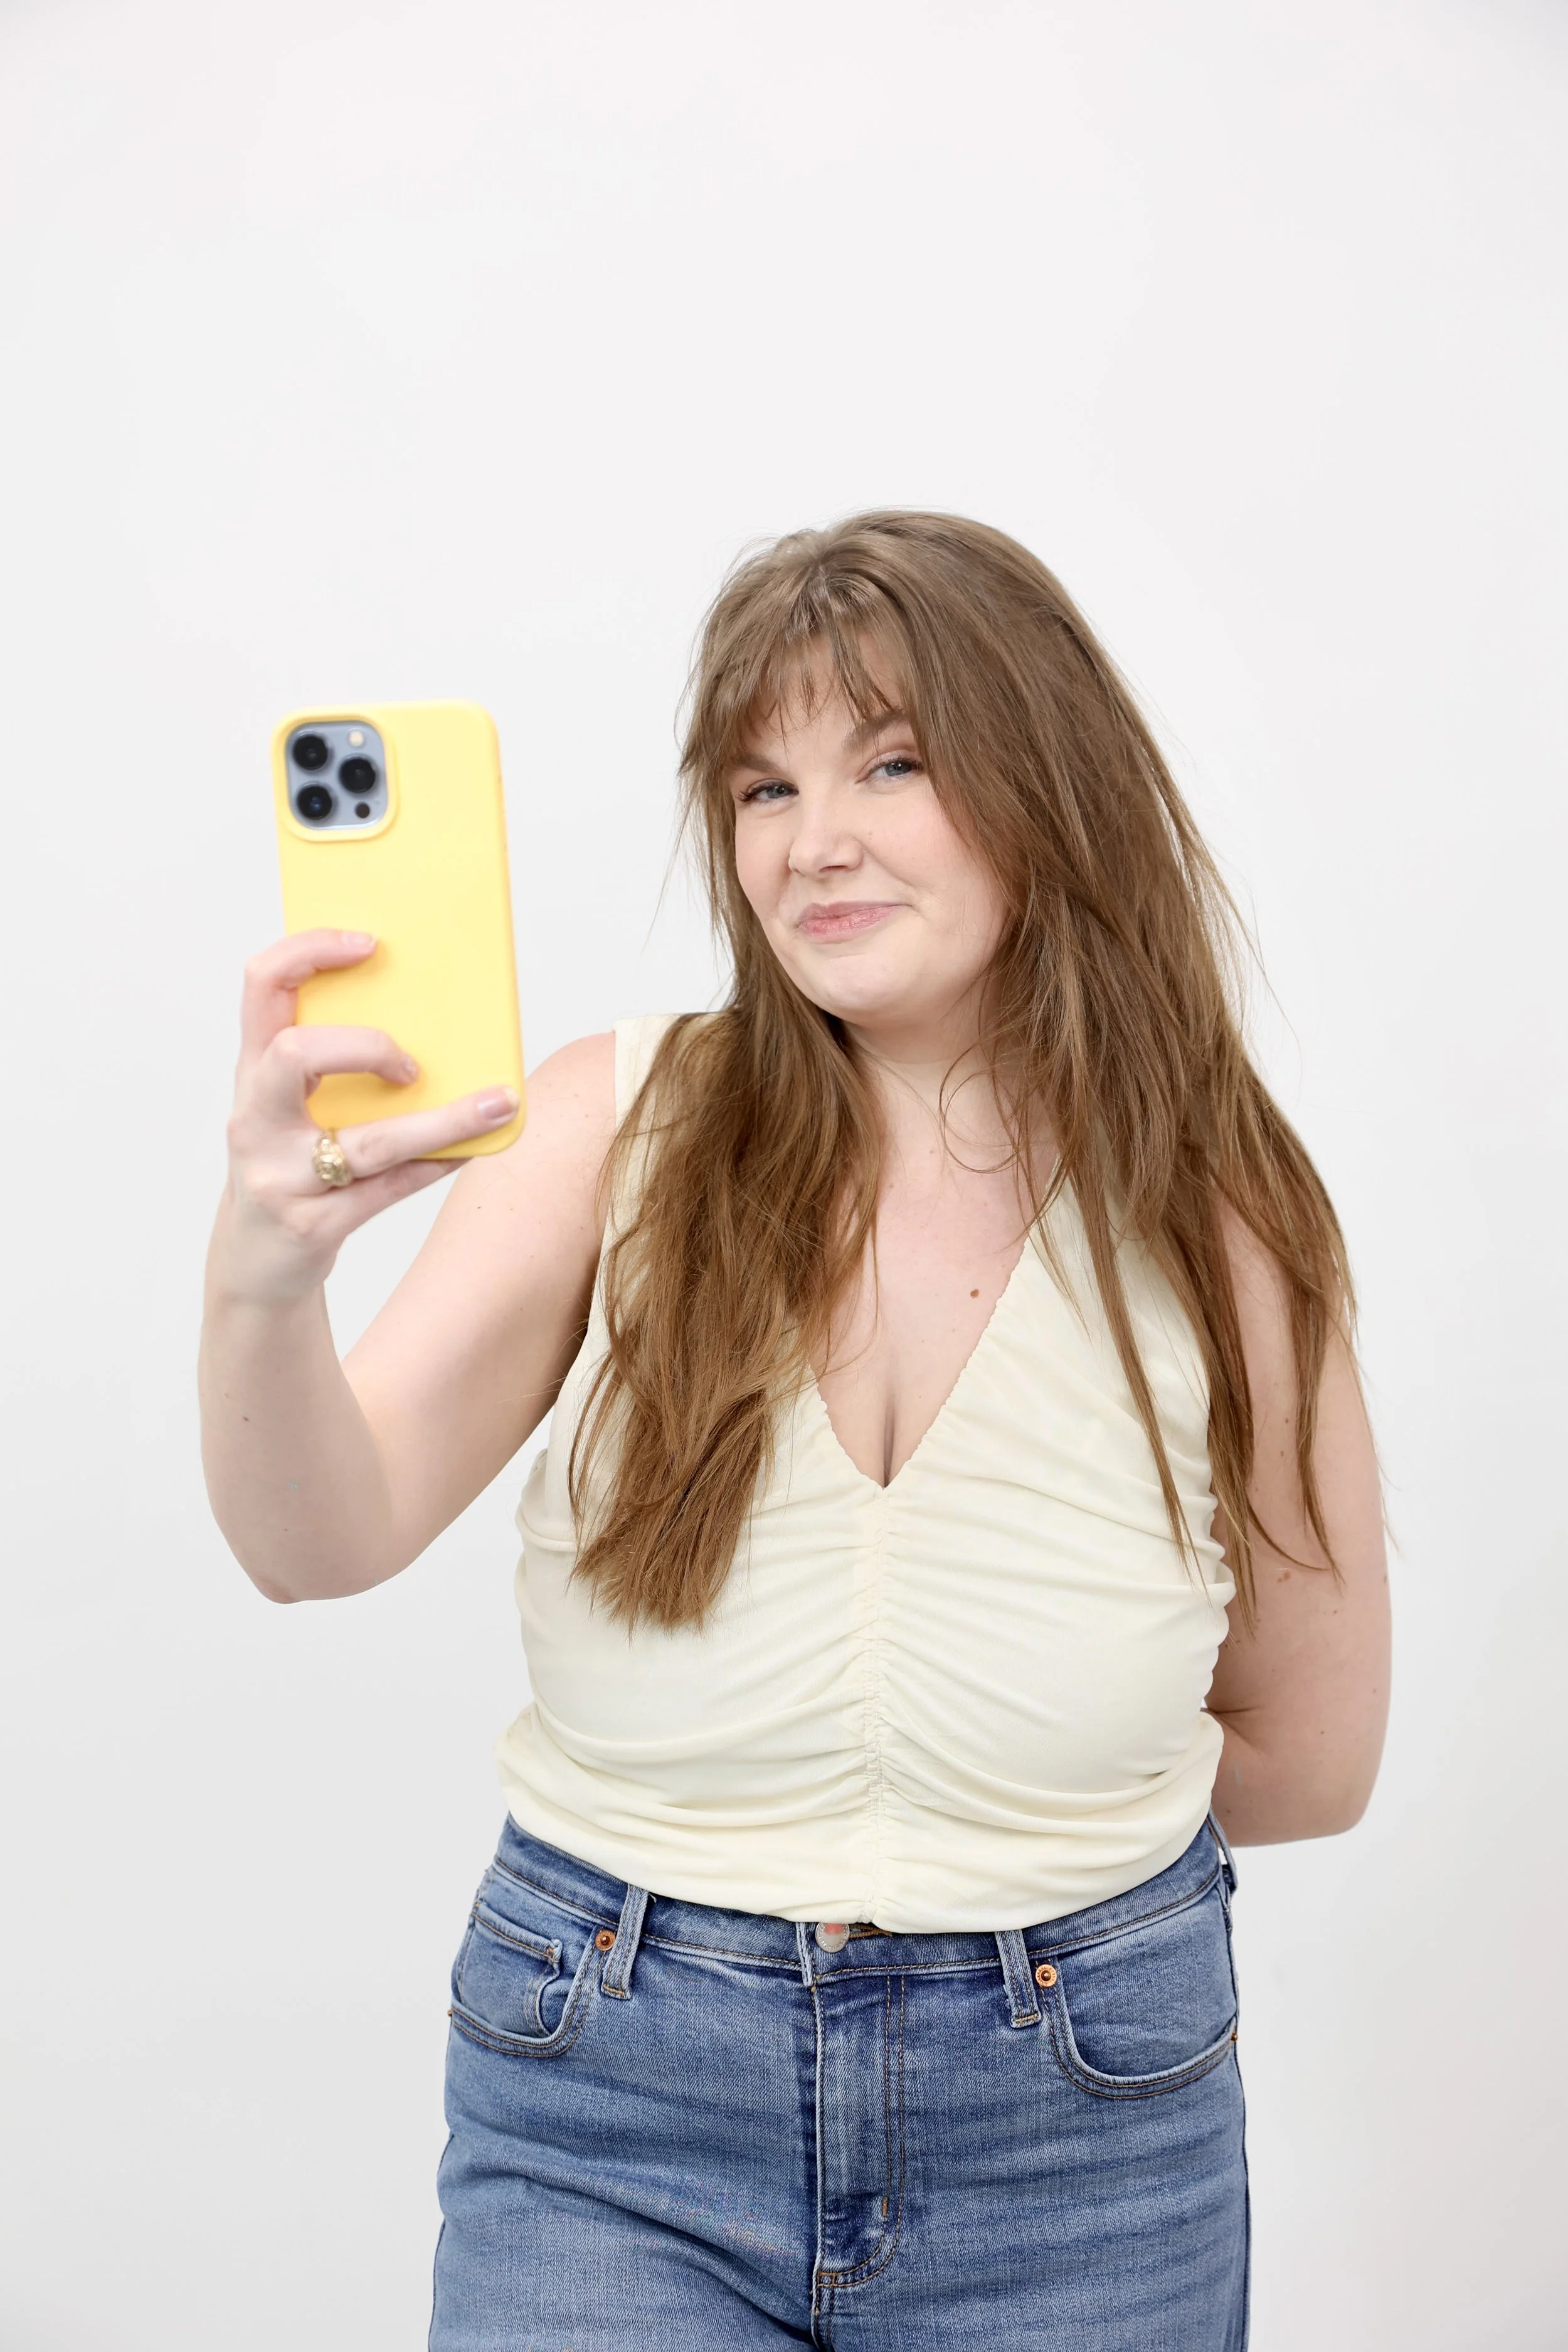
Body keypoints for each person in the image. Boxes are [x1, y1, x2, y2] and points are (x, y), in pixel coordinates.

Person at [200, 512, 1389, 2350]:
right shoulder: (617, 1123)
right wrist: (265, 1277)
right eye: (761, 786)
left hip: (1081, 2122)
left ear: (1047, 787)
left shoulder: (1218, 1211)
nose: (810, 839)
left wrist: (987, 1827)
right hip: (609, 2084)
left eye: (890, 763)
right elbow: (314, 1536)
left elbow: (1310, 1752)